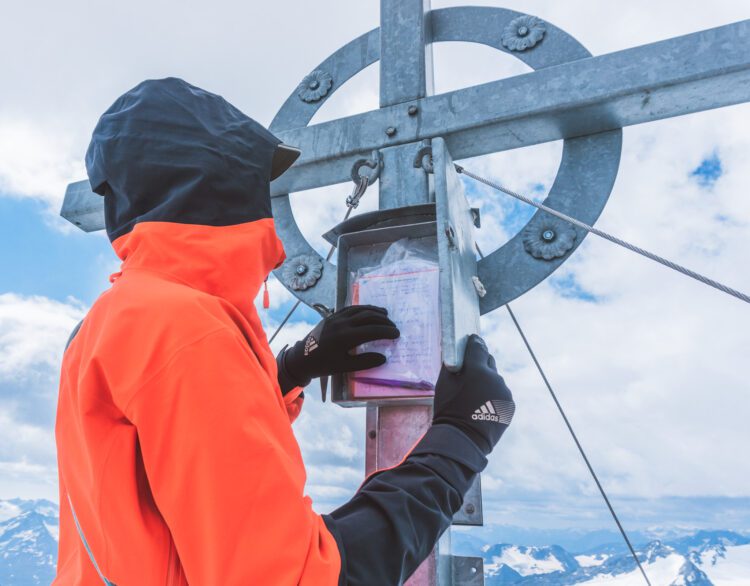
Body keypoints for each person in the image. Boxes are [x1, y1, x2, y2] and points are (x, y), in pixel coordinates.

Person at [54, 77, 515, 586]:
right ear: (222, 177)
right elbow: (295, 578)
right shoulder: (186, 327)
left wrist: (294, 368)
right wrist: (461, 437)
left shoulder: (114, 318)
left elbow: (170, 453)